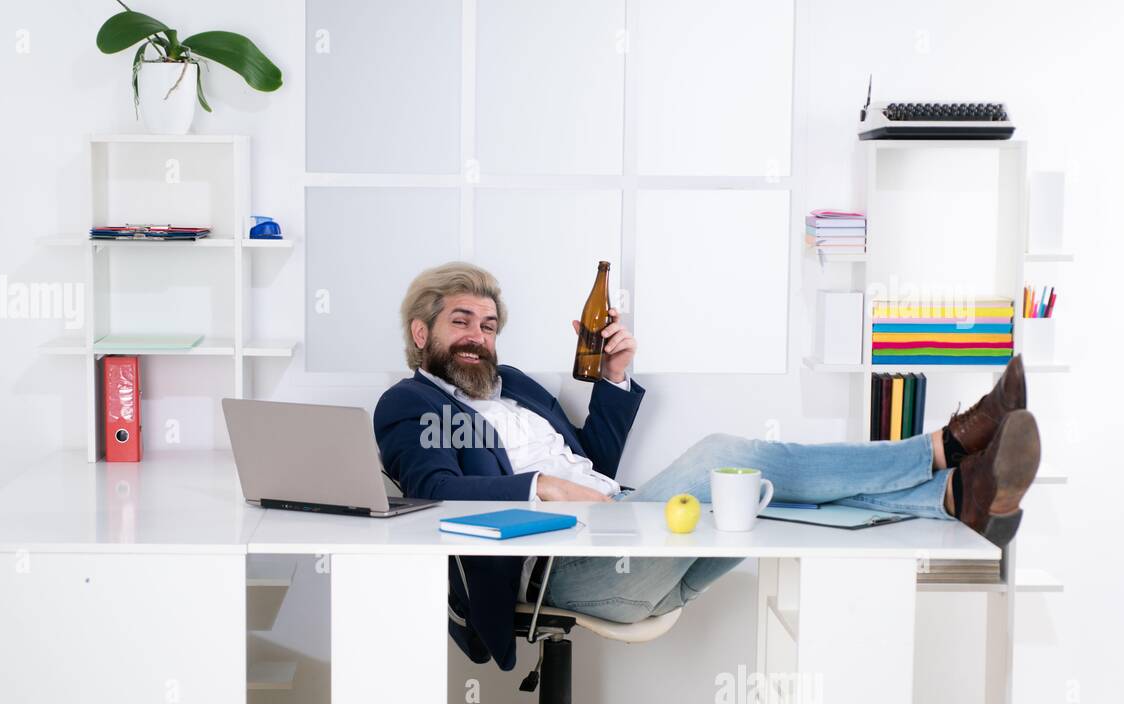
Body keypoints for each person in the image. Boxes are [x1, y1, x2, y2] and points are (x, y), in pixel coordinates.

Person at [374, 262, 1040, 670]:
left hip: (621, 531)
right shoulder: (407, 403)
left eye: (488, 325)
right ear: (420, 332)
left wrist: (614, 376)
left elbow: (593, 462)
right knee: (725, 457)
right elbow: (435, 490)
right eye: (462, 320)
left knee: (765, 501)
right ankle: (943, 447)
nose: (479, 336)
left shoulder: (511, 383)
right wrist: (538, 485)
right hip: (558, 568)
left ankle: (955, 496)